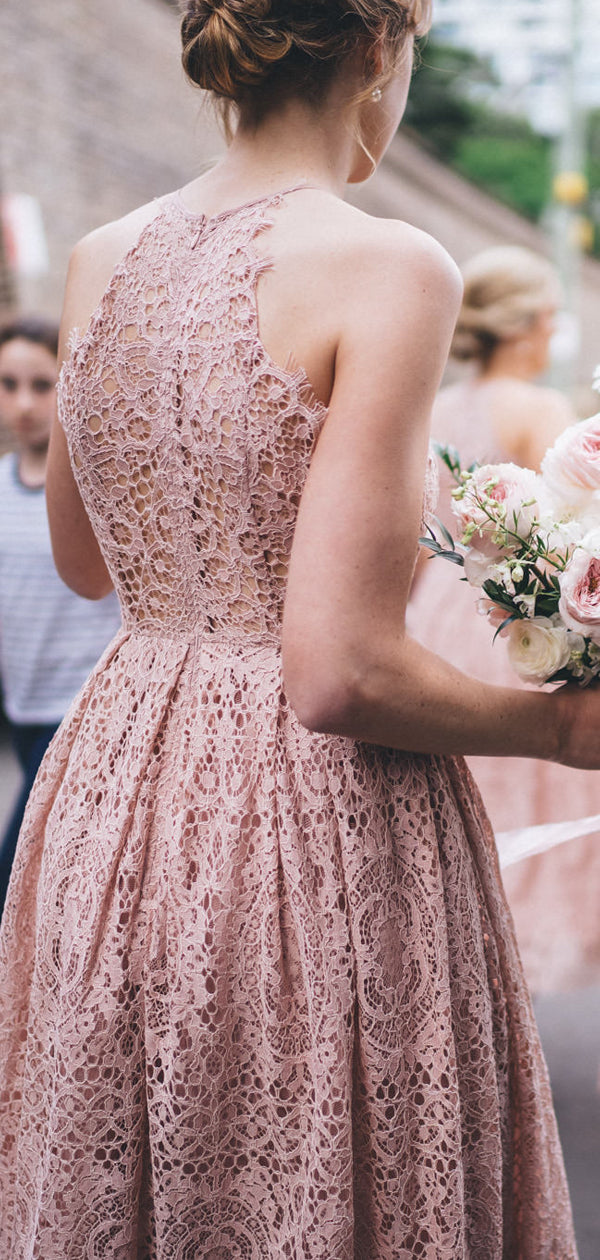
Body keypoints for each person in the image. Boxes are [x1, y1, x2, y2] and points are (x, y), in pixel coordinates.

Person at [0, 2, 595, 1254]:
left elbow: (81, 560)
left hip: (114, 798)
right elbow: (339, 672)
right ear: (379, 45)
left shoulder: (105, 255)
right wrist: (557, 729)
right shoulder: (391, 267)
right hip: (306, 819)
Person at [409, 246, 600, 993]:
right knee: (537, 795)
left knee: (466, 801)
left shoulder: (439, 407)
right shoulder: (541, 411)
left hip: (438, 619)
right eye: (550, 316)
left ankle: (457, 951)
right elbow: (569, 536)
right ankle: (513, 955)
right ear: (528, 327)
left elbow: (425, 538)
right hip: (510, 622)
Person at [0, 317, 121, 919]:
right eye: (8, 383)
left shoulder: (100, 493)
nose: (23, 403)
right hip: (22, 708)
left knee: (17, 877)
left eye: (42, 385)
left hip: (80, 714)